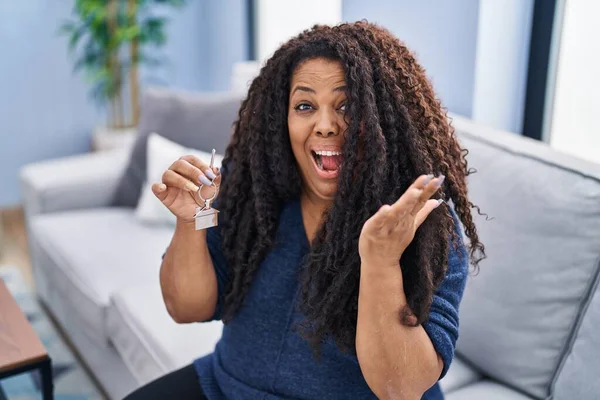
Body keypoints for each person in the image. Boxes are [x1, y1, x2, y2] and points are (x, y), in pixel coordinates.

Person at [124, 21, 484, 400]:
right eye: (305, 106)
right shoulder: (253, 189)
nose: (326, 125)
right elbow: (186, 307)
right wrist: (190, 219)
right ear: (284, 119)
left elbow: (401, 388)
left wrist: (380, 263)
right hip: (226, 386)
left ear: (383, 118)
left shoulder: (424, 224)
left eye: (347, 106)